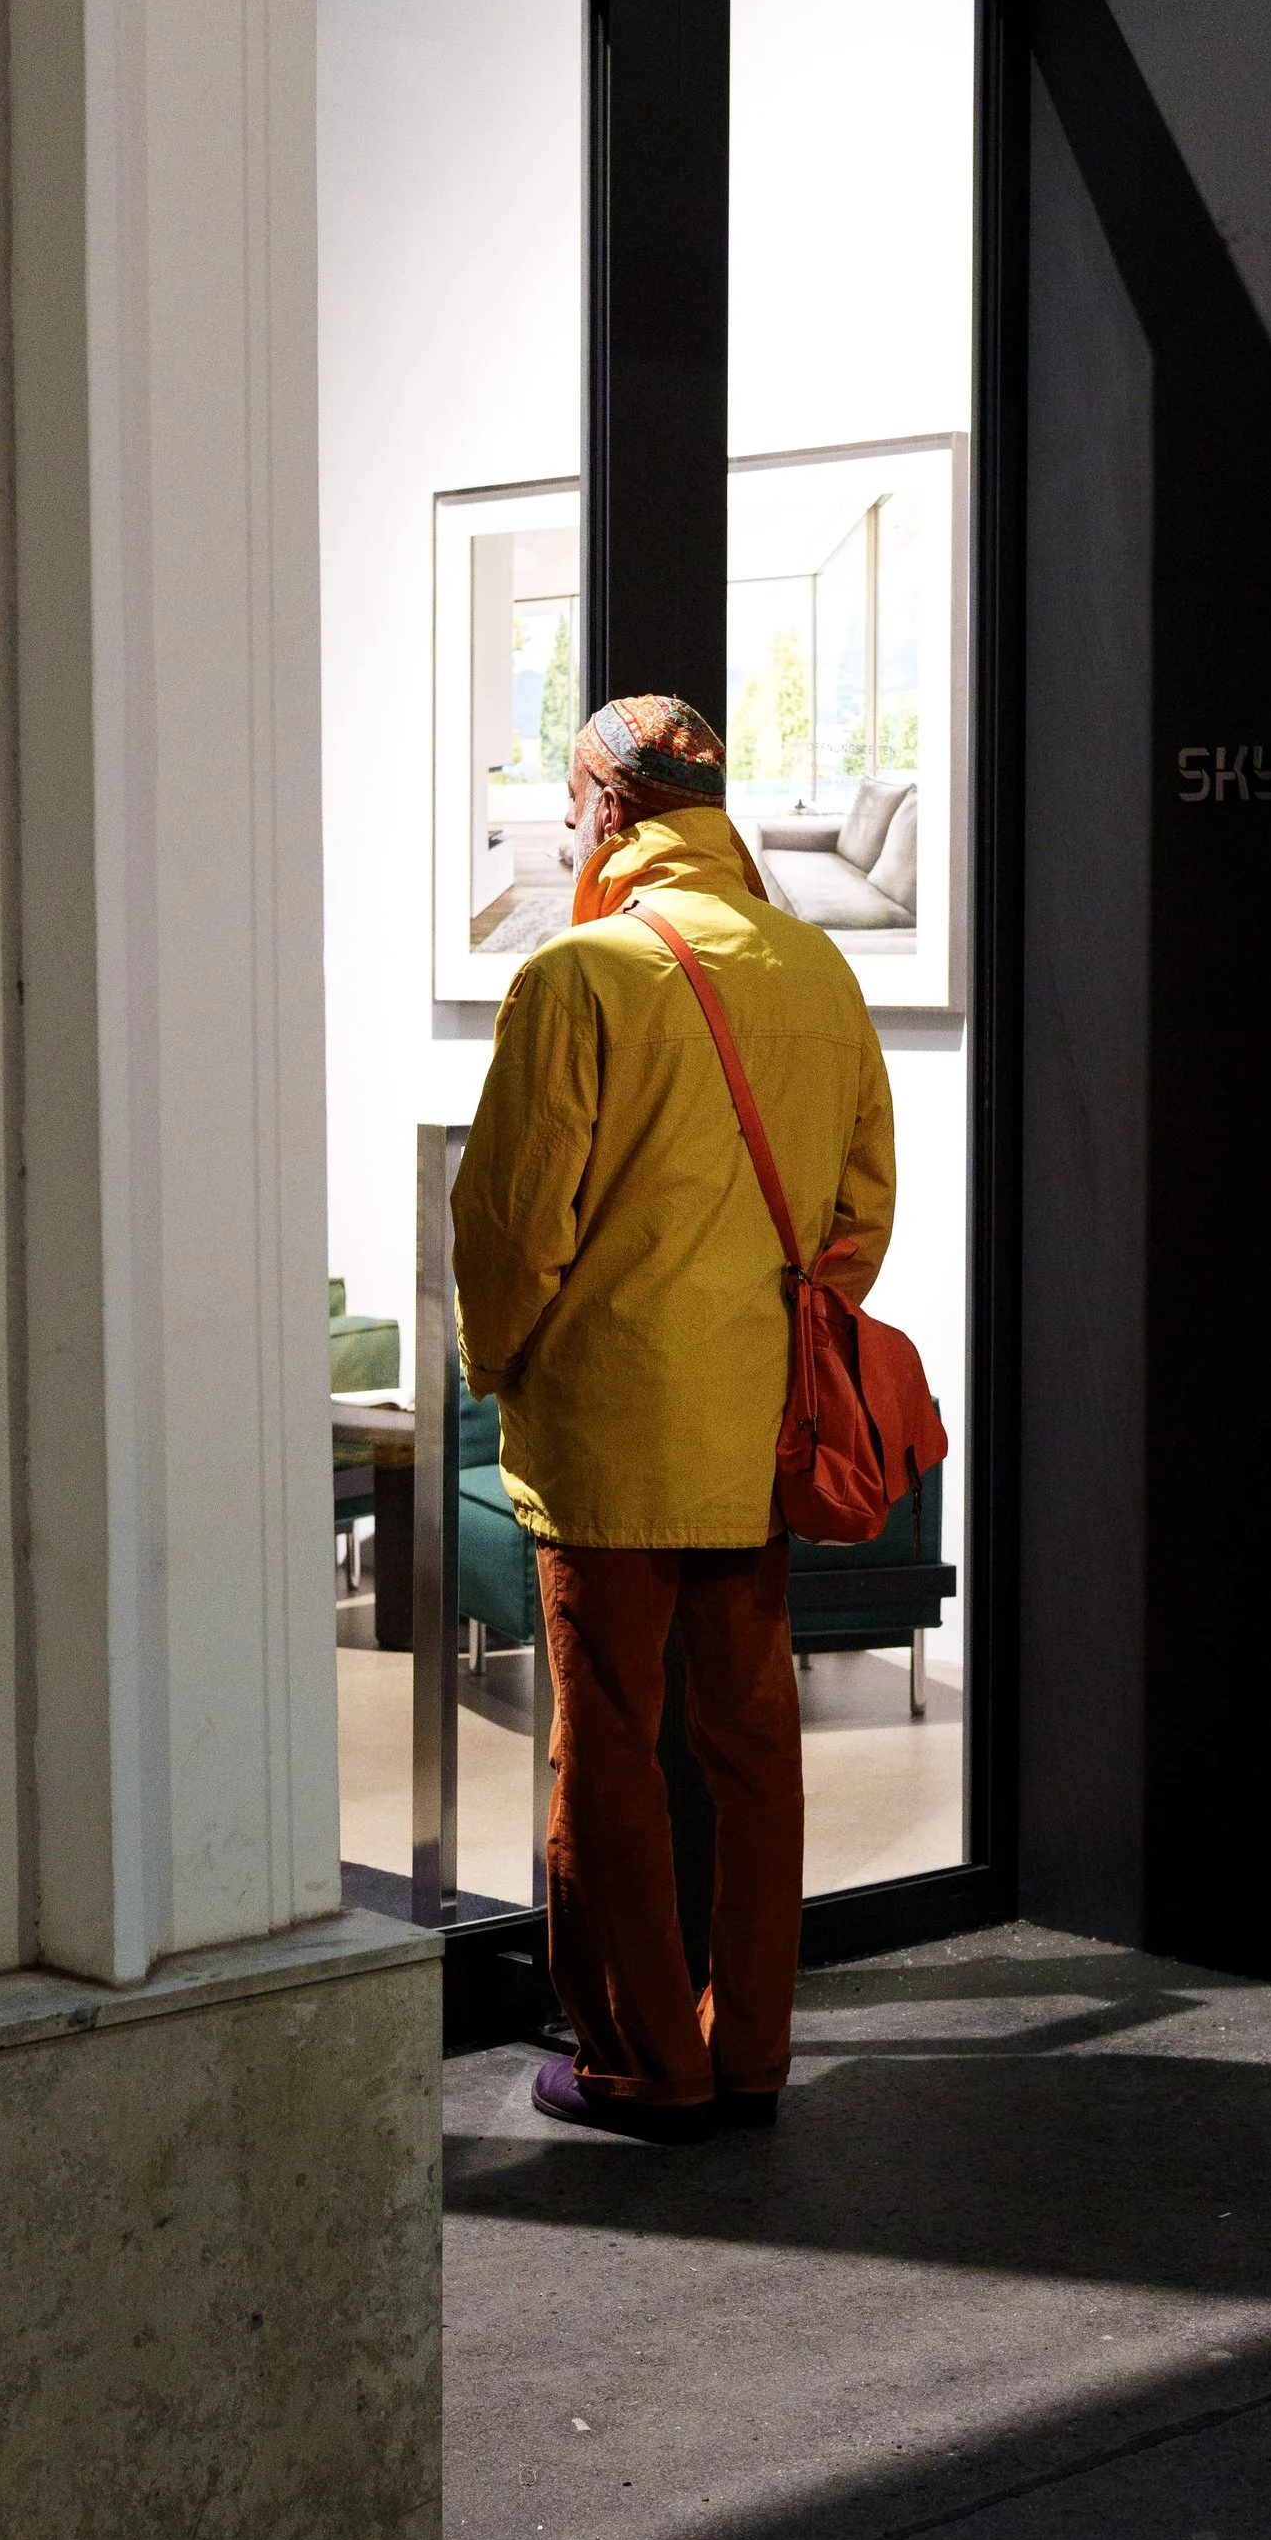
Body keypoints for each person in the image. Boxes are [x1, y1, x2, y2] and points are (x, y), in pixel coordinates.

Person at [452, 694, 897, 2141]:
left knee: (611, 1747)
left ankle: (648, 2057)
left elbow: (515, 1225)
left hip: (611, 1441)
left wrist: (498, 1361)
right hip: (758, 1431)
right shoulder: (818, 970)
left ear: (604, 804)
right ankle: (750, 2048)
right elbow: (861, 1208)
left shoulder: (579, 978)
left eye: (568, 798)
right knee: (754, 1742)